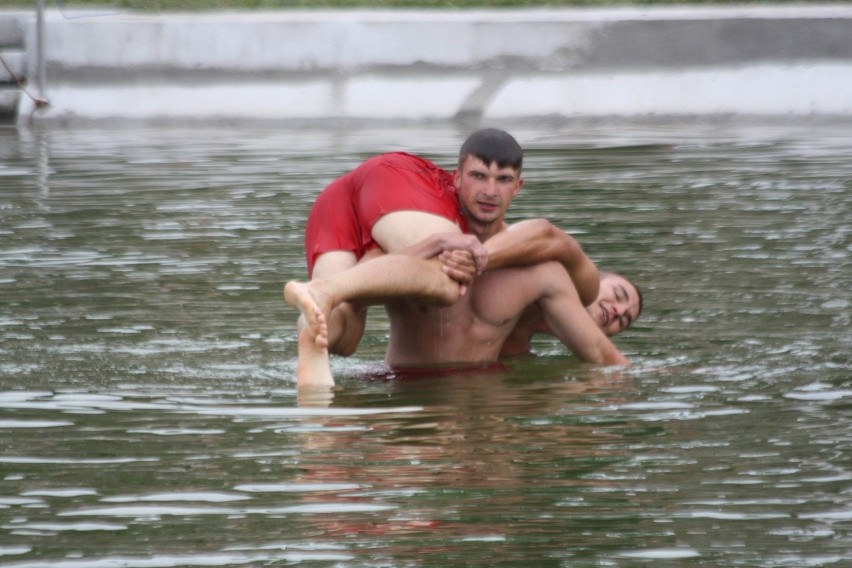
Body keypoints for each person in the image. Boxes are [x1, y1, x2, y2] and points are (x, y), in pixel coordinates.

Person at [286, 129, 633, 387]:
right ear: (456, 179)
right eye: (479, 177)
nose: (490, 192)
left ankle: (313, 326)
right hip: (407, 394)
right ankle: (322, 296)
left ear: (518, 187)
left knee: (341, 339)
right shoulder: (411, 246)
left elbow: (603, 357)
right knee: (368, 300)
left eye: (503, 180)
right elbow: (358, 292)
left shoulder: (541, 275)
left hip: (477, 405)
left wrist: (660, 386)